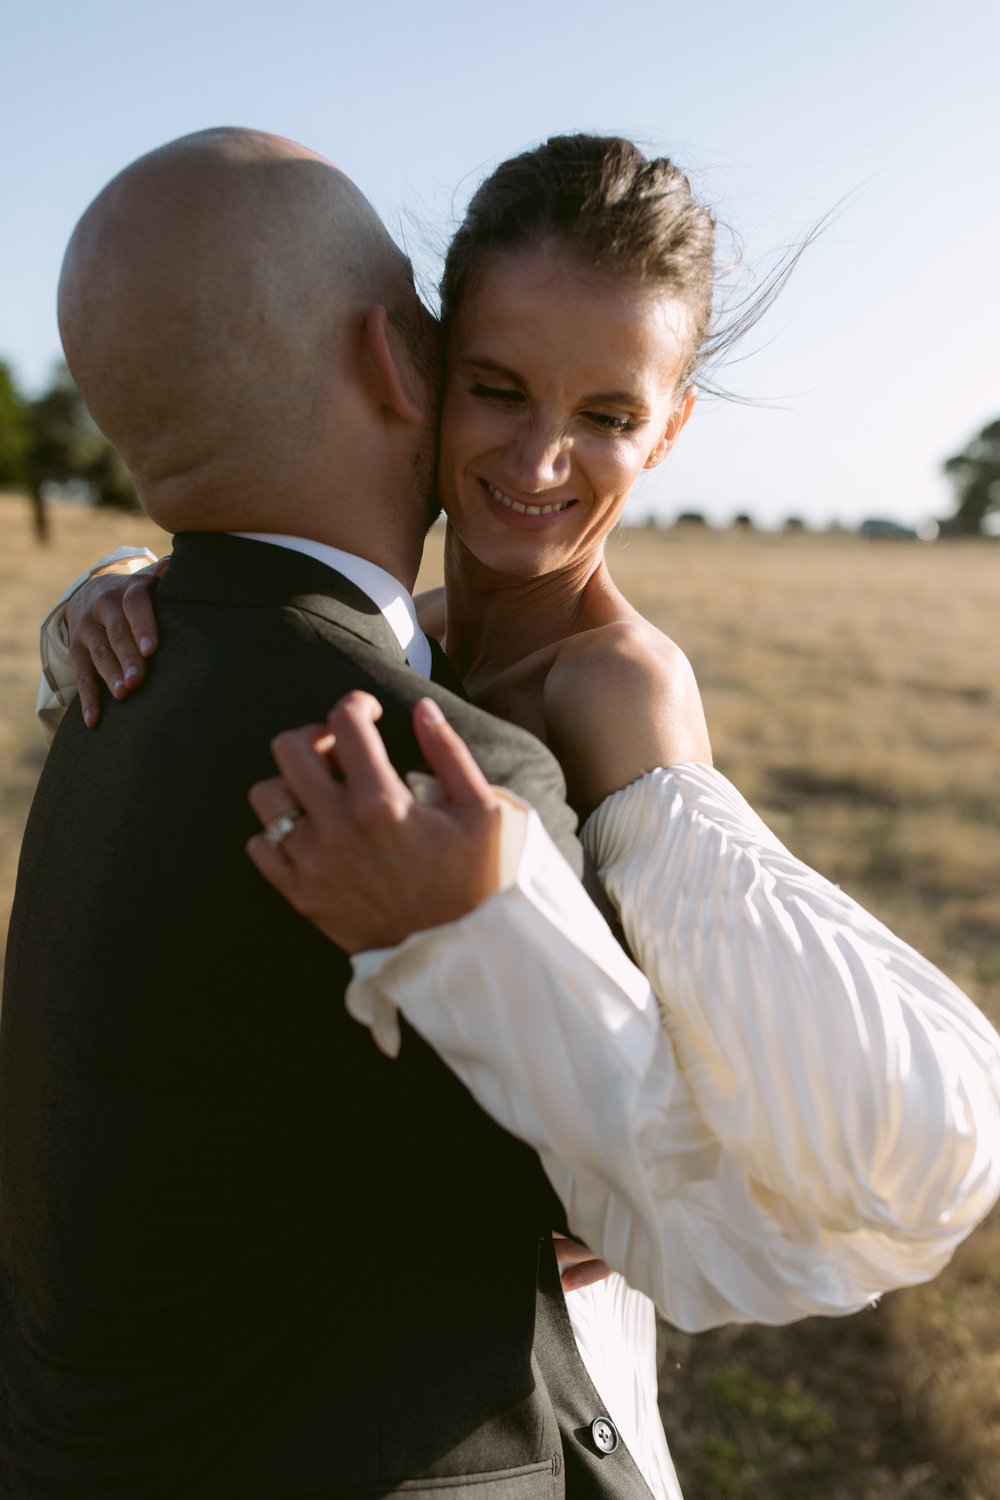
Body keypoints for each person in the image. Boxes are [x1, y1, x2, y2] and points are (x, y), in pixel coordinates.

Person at [42, 135, 1000, 1497]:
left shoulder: (618, 695)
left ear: (667, 429)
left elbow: (797, 1158)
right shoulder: (403, 640)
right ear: (419, 371)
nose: (542, 458)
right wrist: (129, 585)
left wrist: (490, 956)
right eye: (497, 388)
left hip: (526, 1375)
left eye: (608, 416)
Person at [3, 128, 675, 1500]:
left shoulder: (115, 672)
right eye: (455, 347)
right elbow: (643, 1198)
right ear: (391, 359)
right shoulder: (437, 757)